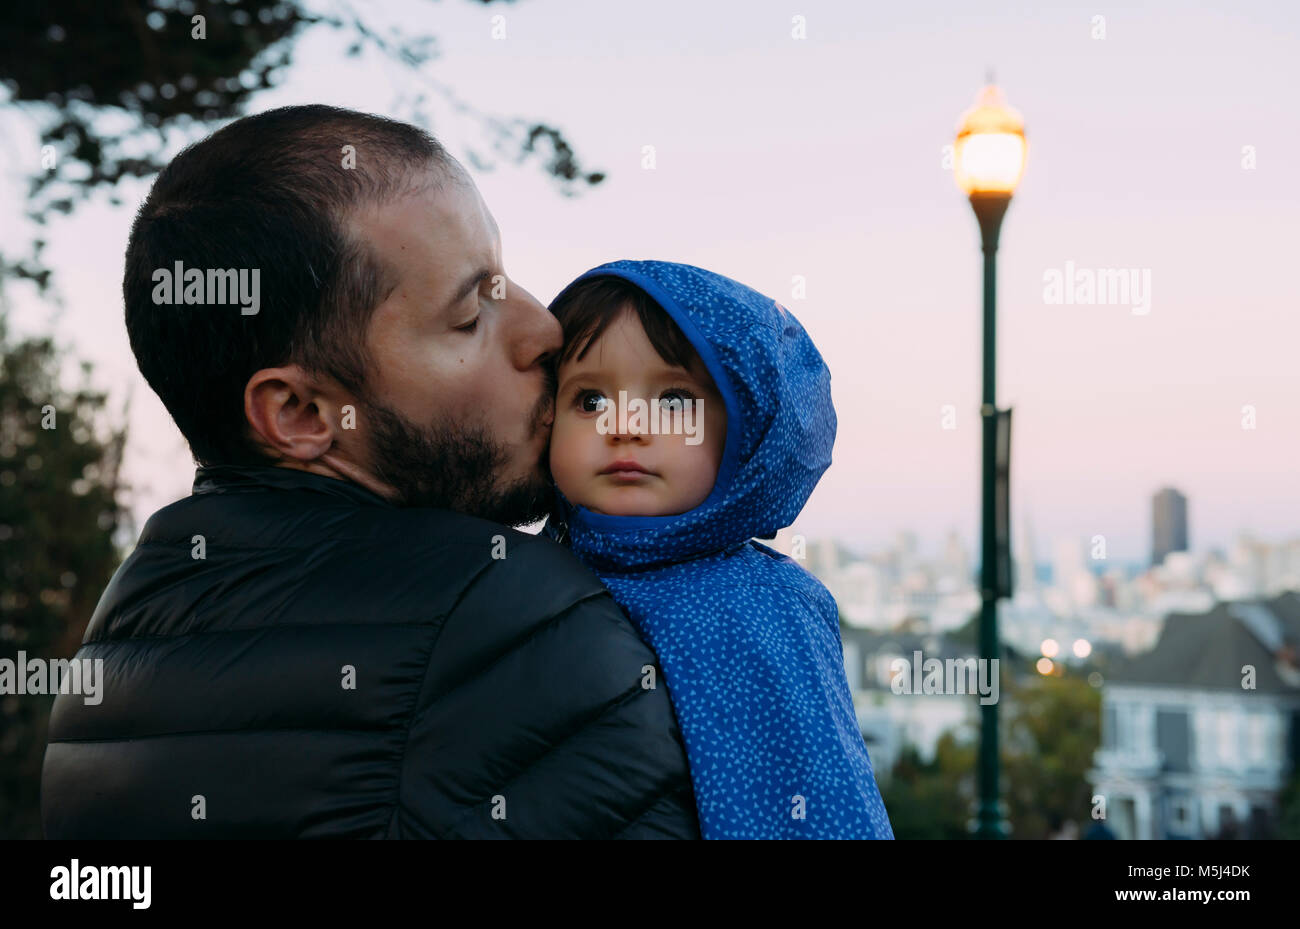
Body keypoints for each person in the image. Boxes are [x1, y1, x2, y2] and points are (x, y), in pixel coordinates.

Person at [40, 106, 700, 839]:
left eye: (502, 278)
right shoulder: (502, 605)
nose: (544, 328)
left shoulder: (114, 653)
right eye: (468, 316)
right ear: (298, 413)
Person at [543, 261, 894, 838]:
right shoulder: (513, 574)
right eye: (589, 401)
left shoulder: (773, 608)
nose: (625, 425)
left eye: (675, 401)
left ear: (745, 432)